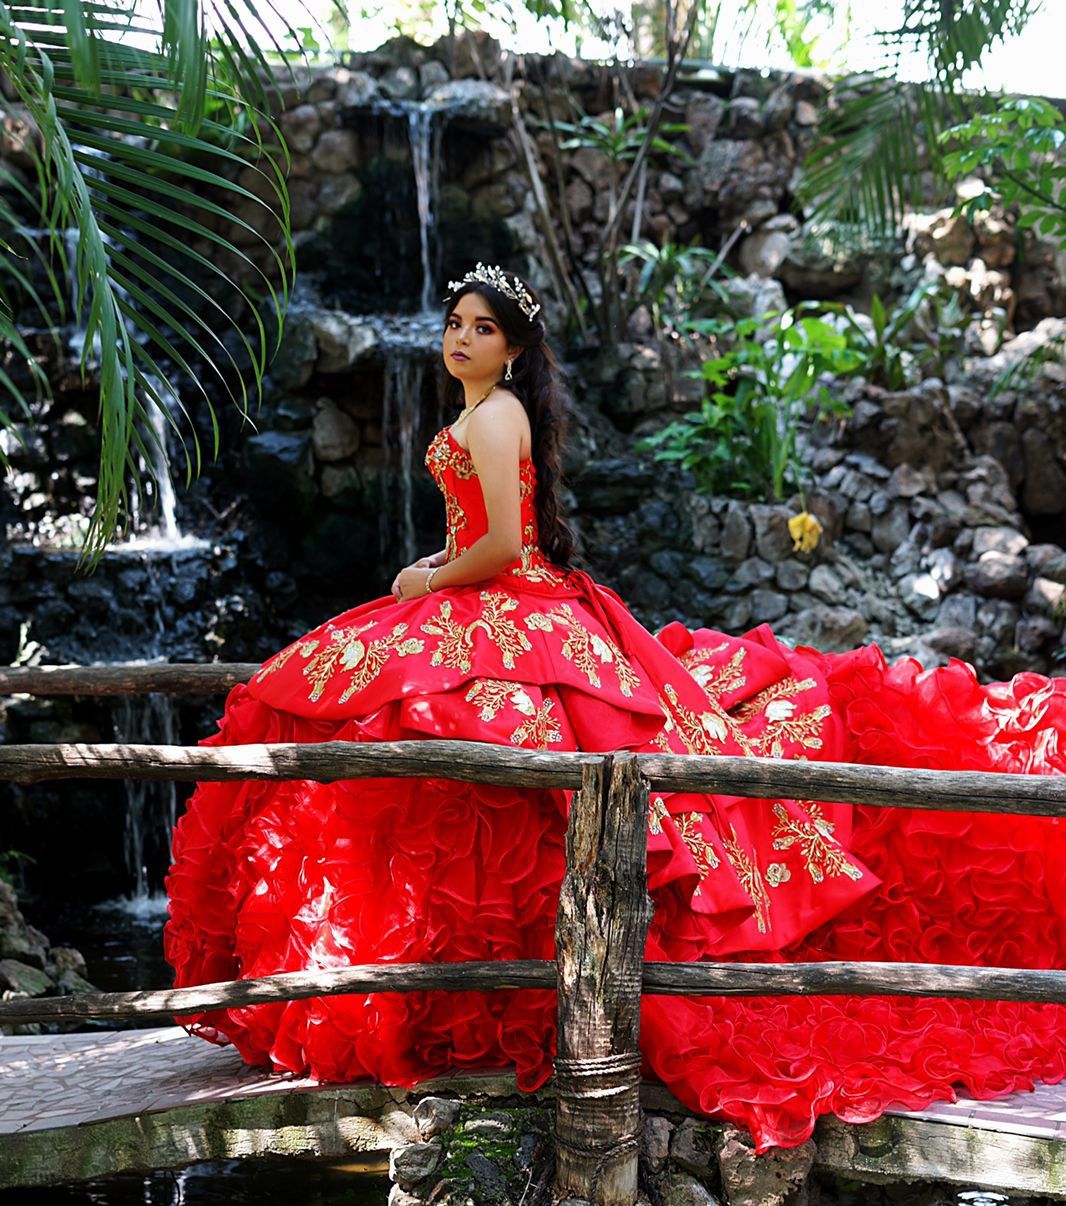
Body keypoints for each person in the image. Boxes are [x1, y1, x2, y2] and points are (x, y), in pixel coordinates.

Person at [164, 263, 1066, 1153]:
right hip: (489, 597)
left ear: (514, 350)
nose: (461, 338)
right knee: (357, 702)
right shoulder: (482, 412)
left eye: (482, 328)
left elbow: (506, 543)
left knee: (472, 731)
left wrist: (428, 582)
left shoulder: (498, 414)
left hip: (507, 597)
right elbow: (490, 533)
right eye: (456, 323)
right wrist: (435, 573)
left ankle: (478, 983)